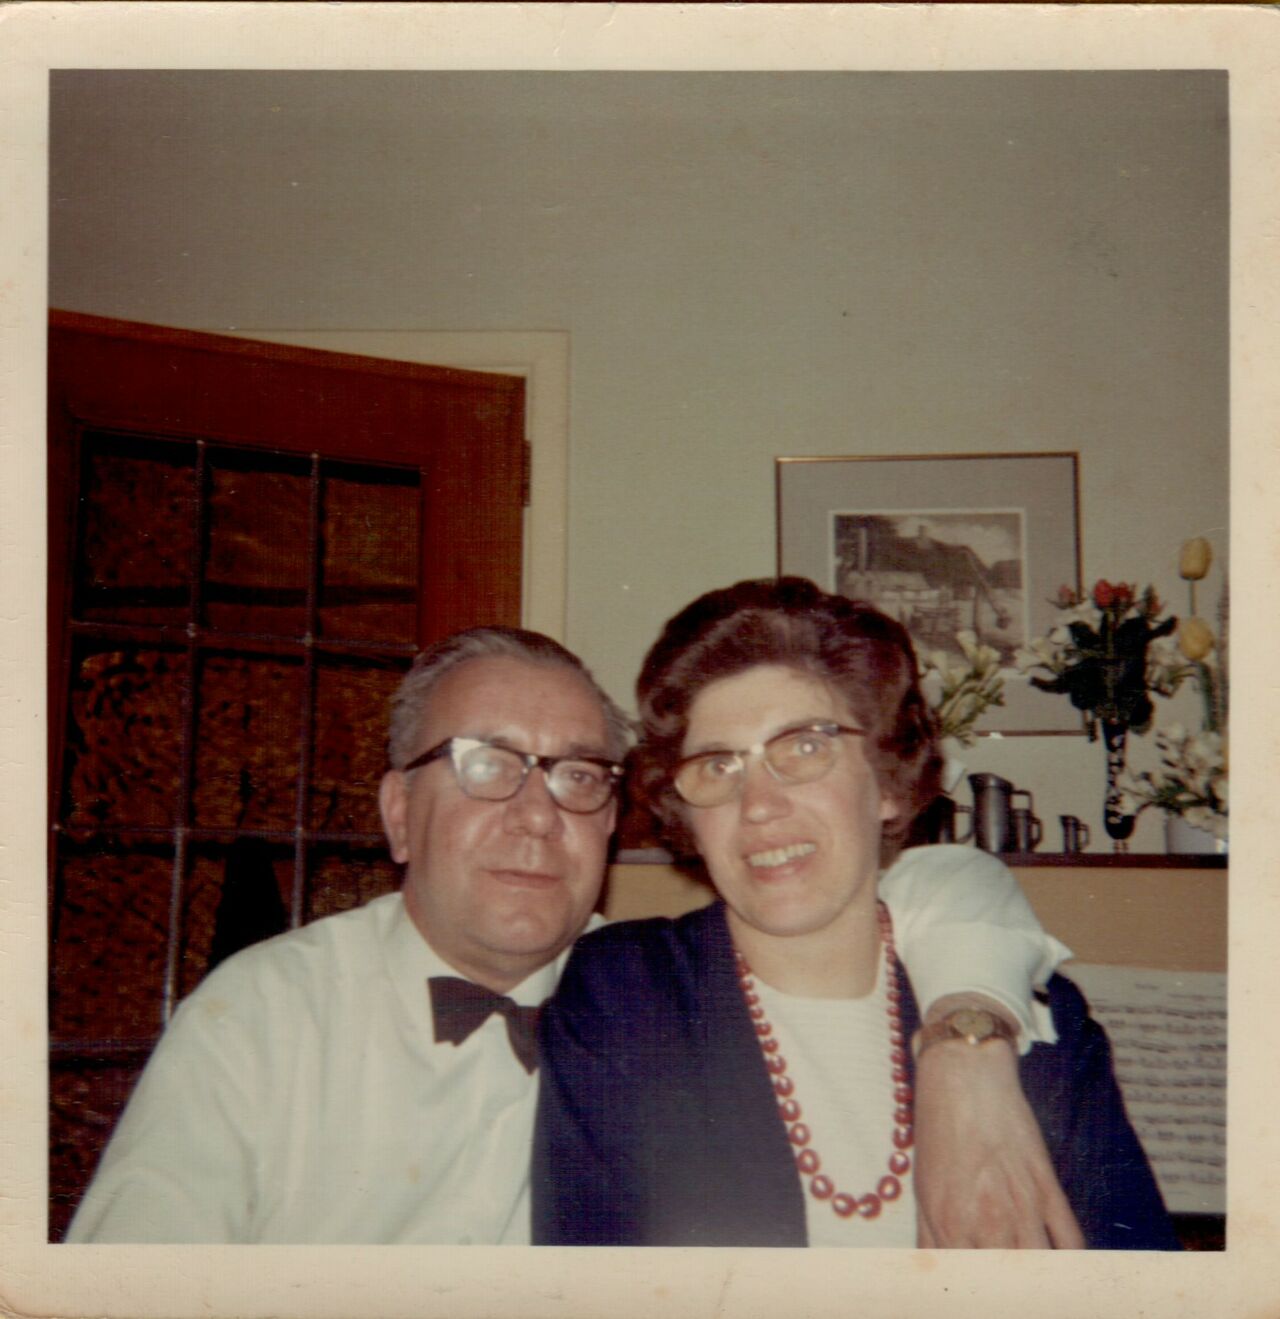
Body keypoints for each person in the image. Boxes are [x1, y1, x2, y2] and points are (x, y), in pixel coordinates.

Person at [69, 623, 1073, 1245]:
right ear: (394, 813)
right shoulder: (260, 1015)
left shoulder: (640, 988)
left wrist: (965, 1034)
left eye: (575, 774)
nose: (535, 812)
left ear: (612, 818)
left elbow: (929, 880)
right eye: (483, 763)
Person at [532, 580, 1178, 1249]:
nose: (758, 803)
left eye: (806, 747)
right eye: (718, 764)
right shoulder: (624, 994)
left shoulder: (1044, 1023)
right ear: (686, 812)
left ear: (889, 785)